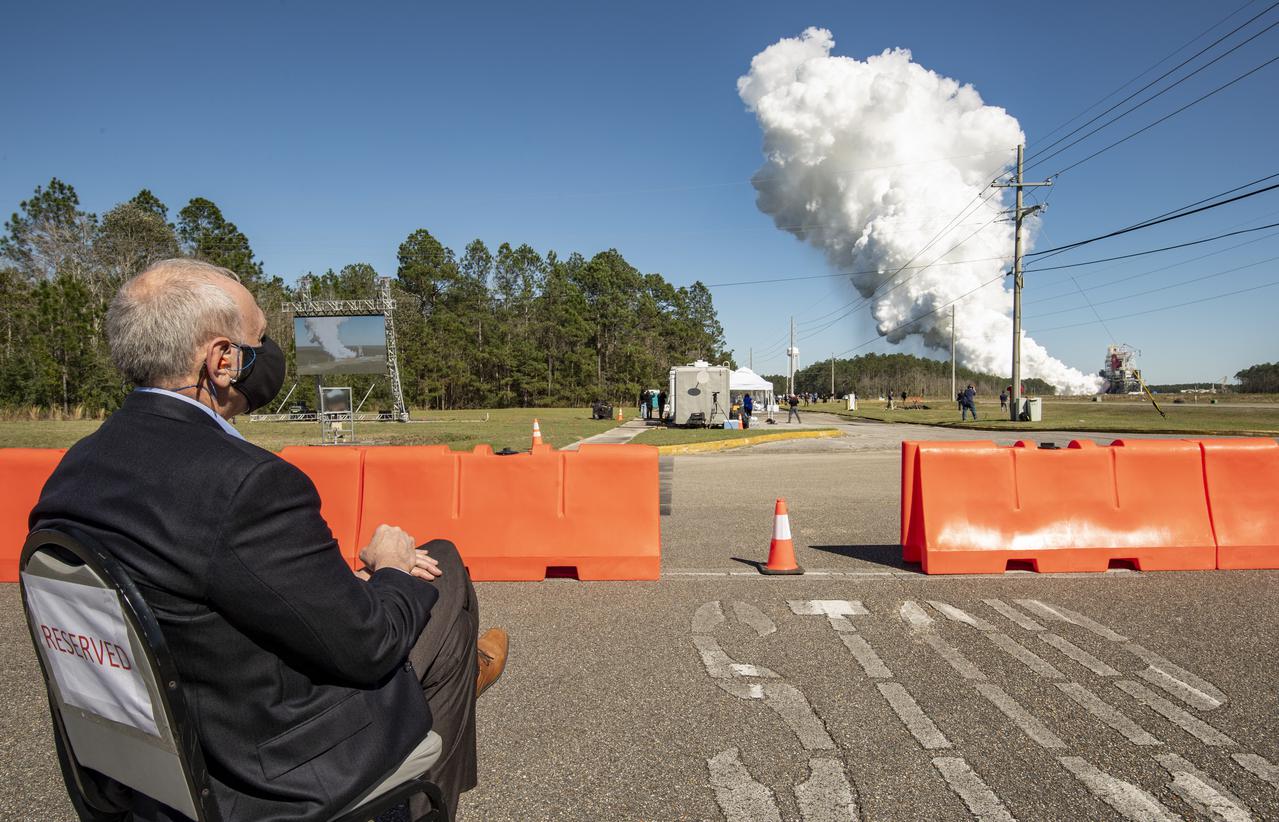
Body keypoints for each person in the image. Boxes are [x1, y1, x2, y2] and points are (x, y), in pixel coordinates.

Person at [30, 259, 506, 822]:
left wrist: (329, 589)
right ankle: (425, 791)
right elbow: (368, 644)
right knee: (443, 569)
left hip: (142, 767)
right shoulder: (248, 482)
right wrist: (390, 569)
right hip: (265, 773)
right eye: (258, 340)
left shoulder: (74, 469)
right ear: (223, 359)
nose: (267, 354)